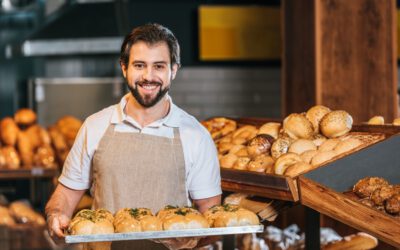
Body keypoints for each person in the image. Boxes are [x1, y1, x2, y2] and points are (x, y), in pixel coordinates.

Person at [45, 23, 222, 249]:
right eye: (139, 65)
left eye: (159, 66)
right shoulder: (95, 126)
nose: (149, 76)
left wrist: (194, 239)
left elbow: (210, 213)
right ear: (124, 68)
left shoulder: (196, 135)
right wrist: (57, 214)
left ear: (174, 69)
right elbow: (67, 194)